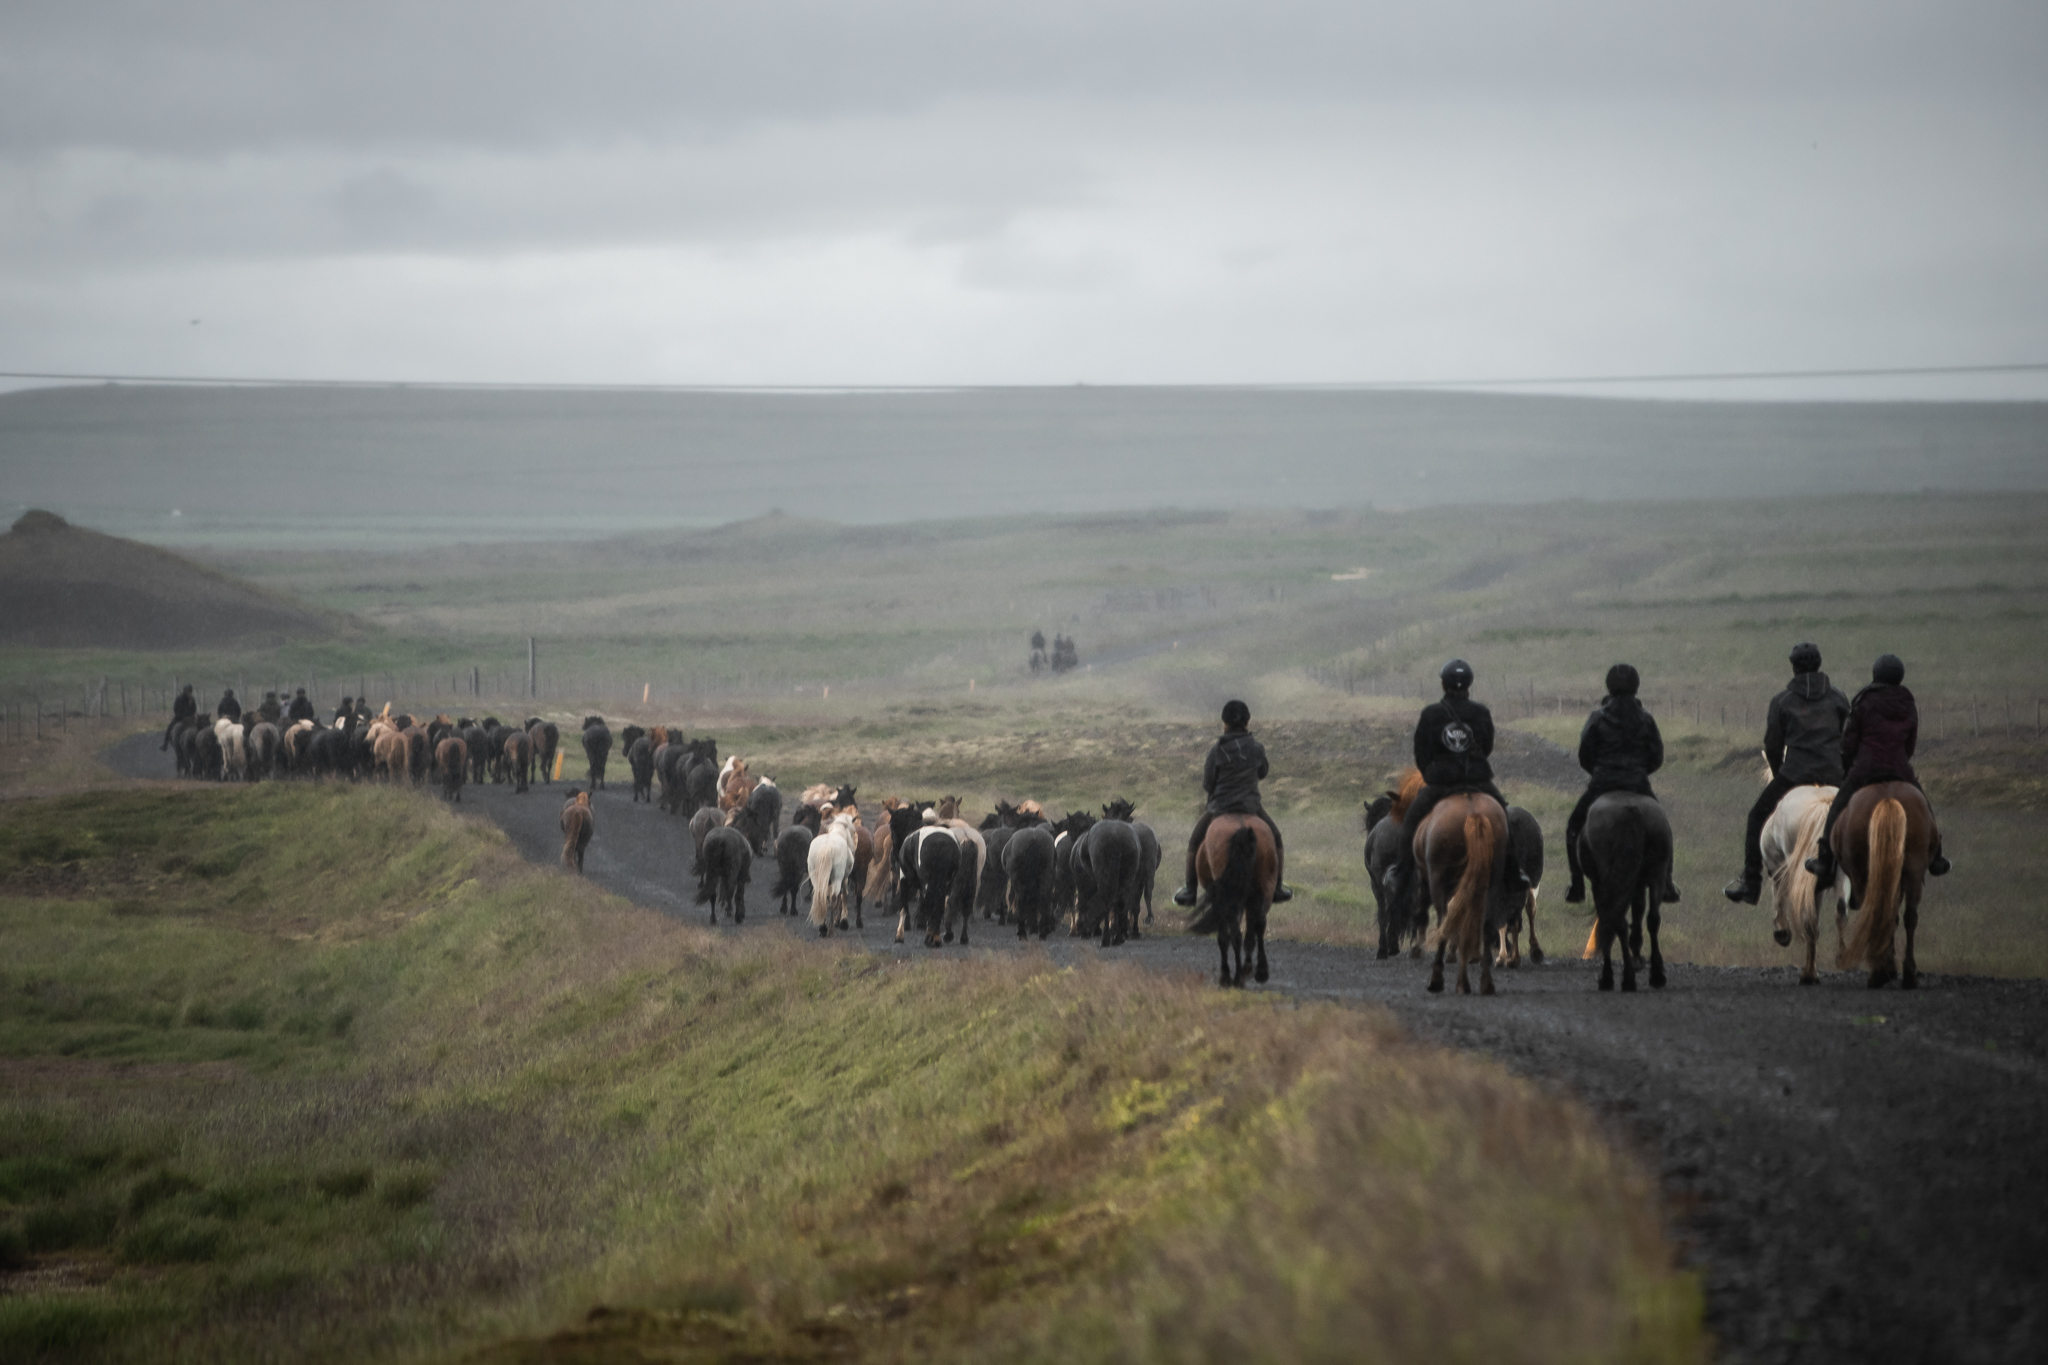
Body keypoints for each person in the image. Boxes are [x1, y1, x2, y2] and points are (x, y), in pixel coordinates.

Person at [1381, 659, 1530, 919]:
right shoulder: (1481, 712)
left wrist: (1432, 774)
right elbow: (1487, 746)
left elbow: (1421, 752)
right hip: (1478, 779)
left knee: (1412, 819)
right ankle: (1514, 871)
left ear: (1443, 684)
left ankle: (1401, 872)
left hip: (1441, 783)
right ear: (1469, 684)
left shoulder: (1431, 714)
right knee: (1503, 815)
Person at [1804, 654, 1951, 885]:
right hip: (1899, 768)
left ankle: (1824, 859)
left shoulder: (1864, 699)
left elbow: (1849, 740)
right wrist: (1900, 760)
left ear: (1875, 674)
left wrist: (1849, 763)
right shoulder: (1907, 701)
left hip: (1865, 769)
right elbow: (1910, 742)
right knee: (1924, 806)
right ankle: (1937, 857)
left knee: (1838, 806)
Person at [1722, 642, 1849, 904]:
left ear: (1793, 667)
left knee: (1756, 816)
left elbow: (1772, 745)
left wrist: (1782, 773)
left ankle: (1751, 884)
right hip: (1834, 775)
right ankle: (1860, 878)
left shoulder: (1782, 701)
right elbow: (1846, 740)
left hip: (1794, 774)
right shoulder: (1839, 698)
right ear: (1819, 663)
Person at [1563, 664, 1679, 904]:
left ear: (1609, 686)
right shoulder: (1646, 719)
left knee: (1574, 826)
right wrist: (1638, 772)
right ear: (1636, 687)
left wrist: (1598, 772)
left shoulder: (1597, 717)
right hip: (1638, 784)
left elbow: (1585, 754)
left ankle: (1577, 886)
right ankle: (1667, 883)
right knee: (1664, 829)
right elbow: (1656, 756)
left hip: (1602, 784)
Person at [1171, 699, 1292, 907]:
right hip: (1251, 807)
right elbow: (1263, 772)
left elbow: (1208, 783)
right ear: (1247, 722)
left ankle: (1189, 891)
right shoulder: (1256, 748)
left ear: (1224, 723)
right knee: (1277, 839)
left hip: (1220, 807)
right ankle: (1278, 886)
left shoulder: (1216, 750)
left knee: (1194, 841)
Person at [162, 684, 197, 750]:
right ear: (184, 691)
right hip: (180, 717)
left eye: (190, 691)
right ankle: (165, 744)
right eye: (188, 691)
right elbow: (176, 709)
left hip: (190, 718)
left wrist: (191, 705)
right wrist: (181, 715)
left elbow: (194, 709)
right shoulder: (180, 698)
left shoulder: (191, 699)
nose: (189, 693)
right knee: (169, 728)